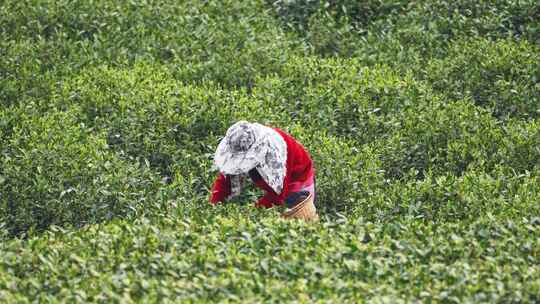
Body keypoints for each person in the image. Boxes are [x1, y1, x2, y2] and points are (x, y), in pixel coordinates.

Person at [210, 121, 316, 208]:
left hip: (297, 178)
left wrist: (255, 211)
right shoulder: (241, 145)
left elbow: (277, 196)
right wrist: (215, 204)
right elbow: (226, 180)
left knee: (296, 217)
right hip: (275, 182)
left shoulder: (274, 153)